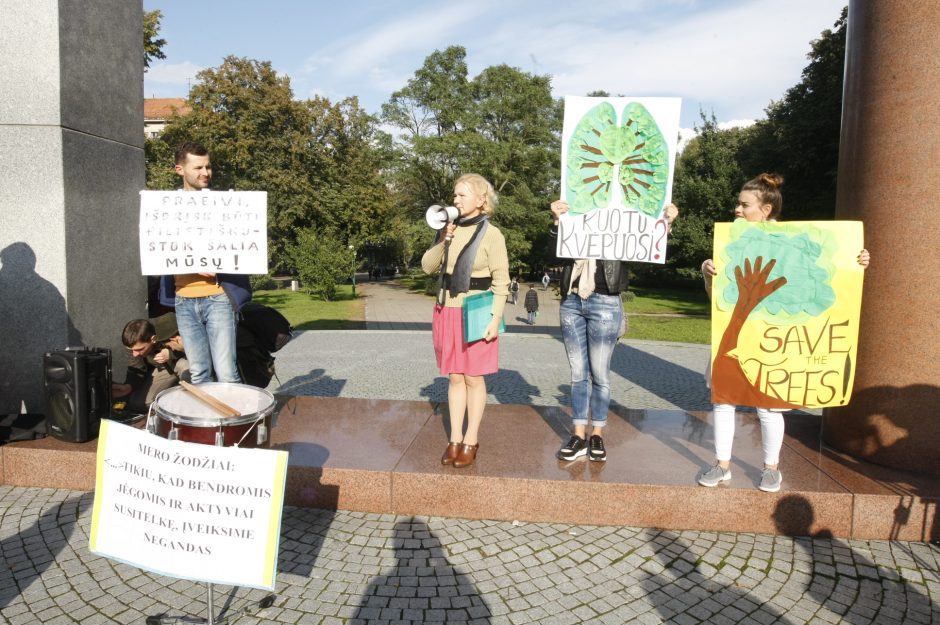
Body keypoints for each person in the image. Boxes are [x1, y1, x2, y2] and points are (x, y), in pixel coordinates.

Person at [698, 173, 870, 492]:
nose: (737, 209)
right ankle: (722, 465)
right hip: (736, 335)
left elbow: (835, 271)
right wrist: (709, 272)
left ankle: (770, 468)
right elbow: (718, 302)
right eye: (737, 203)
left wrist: (856, 260)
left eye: (743, 204)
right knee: (724, 400)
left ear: (765, 210)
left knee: (769, 405)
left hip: (773, 340)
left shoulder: (794, 242)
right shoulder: (729, 244)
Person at [550, 200, 679, 462]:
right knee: (578, 373)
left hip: (605, 301)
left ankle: (596, 433)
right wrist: (556, 223)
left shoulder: (621, 215)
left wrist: (667, 222)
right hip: (572, 299)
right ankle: (578, 435)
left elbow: (645, 246)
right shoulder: (574, 213)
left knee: (600, 373)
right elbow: (553, 256)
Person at [422, 174, 509, 469]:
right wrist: (442, 240)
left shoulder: (493, 234)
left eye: (462, 195)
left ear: (481, 200)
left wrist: (495, 319)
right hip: (446, 308)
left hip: (476, 310)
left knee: (473, 377)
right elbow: (427, 267)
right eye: (455, 195)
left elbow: (501, 282)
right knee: (455, 376)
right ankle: (455, 439)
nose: (455, 200)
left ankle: (471, 439)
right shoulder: (449, 228)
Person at [157, 142, 252, 384]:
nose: (206, 173)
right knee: (198, 372)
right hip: (183, 299)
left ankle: (235, 421)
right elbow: (158, 249)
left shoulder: (224, 206)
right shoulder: (164, 208)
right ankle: (208, 422)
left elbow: (240, 246)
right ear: (180, 169)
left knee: (226, 372)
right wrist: (190, 263)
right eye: (198, 167)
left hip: (218, 297)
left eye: (208, 167)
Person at [112, 313, 189, 414]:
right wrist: (129, 385)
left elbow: (192, 349)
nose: (135, 354)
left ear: (153, 339)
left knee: (185, 366)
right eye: (132, 350)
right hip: (162, 369)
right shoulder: (132, 347)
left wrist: (171, 354)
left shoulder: (164, 330)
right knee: (140, 403)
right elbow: (136, 368)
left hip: (180, 362)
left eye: (140, 349)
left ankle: (189, 402)